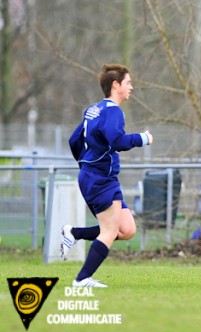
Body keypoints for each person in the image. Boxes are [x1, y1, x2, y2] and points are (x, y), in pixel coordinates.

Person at [63, 64, 153, 288]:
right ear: (116, 85)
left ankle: (73, 233)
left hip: (99, 176)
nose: (131, 87)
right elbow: (118, 141)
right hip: (99, 178)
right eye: (128, 83)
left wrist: (85, 164)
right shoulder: (113, 111)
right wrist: (143, 138)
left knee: (127, 230)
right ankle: (82, 279)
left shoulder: (93, 110)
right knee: (110, 231)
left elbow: (74, 140)